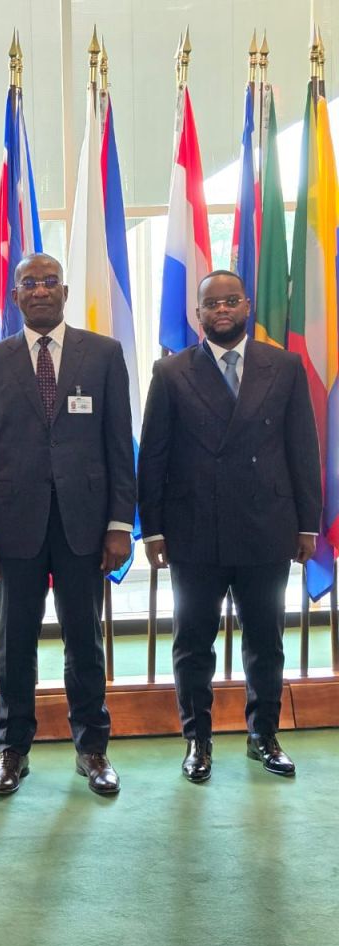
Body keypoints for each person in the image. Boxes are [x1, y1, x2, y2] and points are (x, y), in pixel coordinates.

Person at [138, 270, 322, 782]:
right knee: (193, 642)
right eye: (211, 303)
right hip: (194, 529)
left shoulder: (284, 366)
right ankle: (197, 739)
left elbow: (302, 447)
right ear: (198, 314)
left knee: (266, 639)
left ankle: (264, 735)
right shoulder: (170, 372)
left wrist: (307, 524)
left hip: (267, 525)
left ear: (247, 307)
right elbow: (153, 456)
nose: (222, 309)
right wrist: (153, 530)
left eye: (231, 300)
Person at [0, 253, 135, 796]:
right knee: (14, 644)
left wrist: (119, 524)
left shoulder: (103, 354)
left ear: (64, 291)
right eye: (28, 283)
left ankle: (93, 749)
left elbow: (119, 444)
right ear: (15, 296)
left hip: (86, 525)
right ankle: (12, 750)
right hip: (13, 529)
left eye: (49, 282)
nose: (39, 290)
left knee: (85, 641)